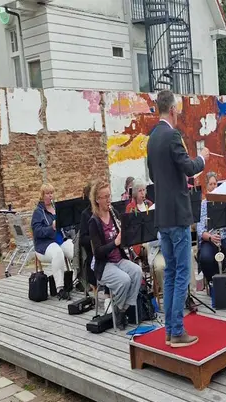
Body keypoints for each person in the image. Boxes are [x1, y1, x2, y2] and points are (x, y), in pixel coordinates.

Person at [146, 89, 206, 347]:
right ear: (172, 110)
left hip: (162, 216)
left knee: (171, 273)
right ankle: (178, 330)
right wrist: (202, 158)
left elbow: (152, 175)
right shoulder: (172, 136)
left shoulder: (152, 137)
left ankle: (171, 332)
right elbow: (189, 167)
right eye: (178, 110)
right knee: (182, 273)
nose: (179, 114)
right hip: (178, 216)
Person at [88, 181, 143, 330]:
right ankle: (120, 311)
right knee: (124, 280)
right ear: (97, 200)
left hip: (119, 259)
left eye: (109, 196)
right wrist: (115, 243)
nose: (108, 200)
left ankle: (121, 309)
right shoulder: (94, 222)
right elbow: (98, 252)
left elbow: (123, 237)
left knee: (137, 272)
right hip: (104, 265)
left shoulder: (114, 214)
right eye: (105, 197)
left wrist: (127, 236)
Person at [197, 172, 226, 283]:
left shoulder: (224, 202)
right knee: (205, 258)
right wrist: (210, 237)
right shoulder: (203, 205)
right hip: (209, 239)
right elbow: (200, 230)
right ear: (207, 186)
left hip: (225, 236)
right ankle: (213, 282)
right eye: (211, 184)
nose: (213, 186)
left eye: (215, 184)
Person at [32, 183, 74, 300]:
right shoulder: (38, 212)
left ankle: (82, 281)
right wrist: (52, 227)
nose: (50, 196)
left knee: (74, 250)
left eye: (52, 193)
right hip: (44, 246)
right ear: (42, 195)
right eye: (47, 193)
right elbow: (37, 232)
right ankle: (60, 288)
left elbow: (65, 227)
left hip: (61, 240)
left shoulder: (57, 208)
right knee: (57, 252)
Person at [125, 178, 155, 260]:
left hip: (151, 238)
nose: (143, 193)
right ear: (135, 193)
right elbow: (129, 228)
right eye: (140, 191)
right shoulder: (130, 208)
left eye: (144, 190)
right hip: (138, 242)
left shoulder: (149, 204)